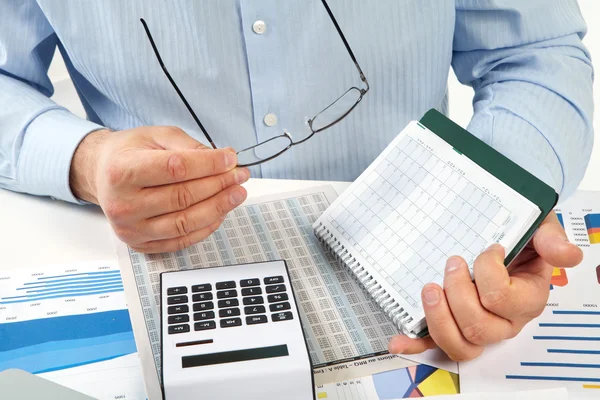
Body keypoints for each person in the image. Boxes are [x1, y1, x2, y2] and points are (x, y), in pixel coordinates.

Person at [0, 0, 592, 361]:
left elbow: (532, 50)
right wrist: (86, 159)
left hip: (420, 275)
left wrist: (497, 218)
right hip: (149, 269)